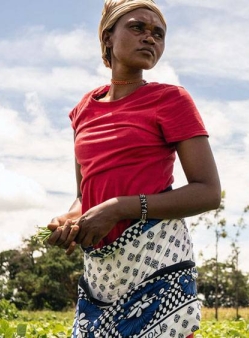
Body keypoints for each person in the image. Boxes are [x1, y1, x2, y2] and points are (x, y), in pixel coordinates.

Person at [45, 0, 221, 337]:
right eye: (137, 27)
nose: (150, 38)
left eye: (158, 33)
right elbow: (84, 195)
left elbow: (208, 192)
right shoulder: (83, 109)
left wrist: (121, 207)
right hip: (101, 276)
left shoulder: (171, 100)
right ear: (108, 37)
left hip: (155, 264)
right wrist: (69, 221)